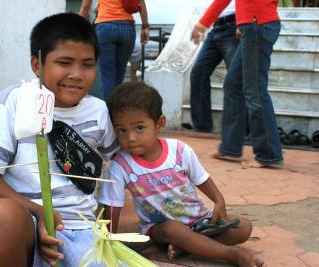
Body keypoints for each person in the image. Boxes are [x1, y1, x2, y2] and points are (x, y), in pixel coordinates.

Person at [0, 13, 119, 267]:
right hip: (26, 223)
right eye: (64, 62)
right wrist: (39, 211)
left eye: (87, 64)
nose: (76, 74)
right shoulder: (15, 100)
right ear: (37, 64)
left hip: (80, 230)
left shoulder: (99, 111)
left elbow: (118, 161)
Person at [99, 81, 265, 267]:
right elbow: (112, 206)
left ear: (159, 124)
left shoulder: (179, 150)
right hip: (161, 228)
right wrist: (109, 238)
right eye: (121, 130)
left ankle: (186, 246)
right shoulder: (120, 165)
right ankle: (232, 255)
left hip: (199, 222)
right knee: (174, 230)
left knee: (243, 227)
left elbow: (201, 178)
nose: (130, 137)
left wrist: (219, 201)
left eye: (139, 128)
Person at [191, 0, 284, 167]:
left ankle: (269, 155)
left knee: (255, 91)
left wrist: (203, 23)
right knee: (233, 84)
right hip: (253, 24)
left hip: (257, 24)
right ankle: (230, 148)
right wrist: (243, 21)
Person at [79, 0, 150, 100]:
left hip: (105, 28)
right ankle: (116, 112)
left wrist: (76, 28)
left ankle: (107, 113)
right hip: (127, 29)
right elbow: (141, 3)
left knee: (107, 78)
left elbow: (85, 7)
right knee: (119, 77)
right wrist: (145, 27)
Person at [189, 1, 238, 132]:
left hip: (235, 24)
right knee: (198, 73)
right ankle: (202, 126)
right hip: (216, 27)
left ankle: (241, 130)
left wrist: (244, 22)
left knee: (236, 78)